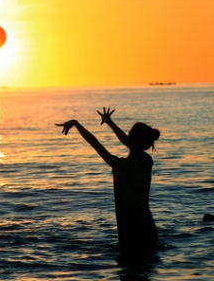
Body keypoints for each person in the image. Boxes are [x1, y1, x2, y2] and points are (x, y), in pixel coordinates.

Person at [57, 108, 160, 258]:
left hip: (130, 231)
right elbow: (127, 141)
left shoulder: (121, 165)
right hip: (148, 228)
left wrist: (76, 124)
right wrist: (109, 122)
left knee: (130, 269)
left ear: (132, 140)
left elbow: (95, 143)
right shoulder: (147, 160)